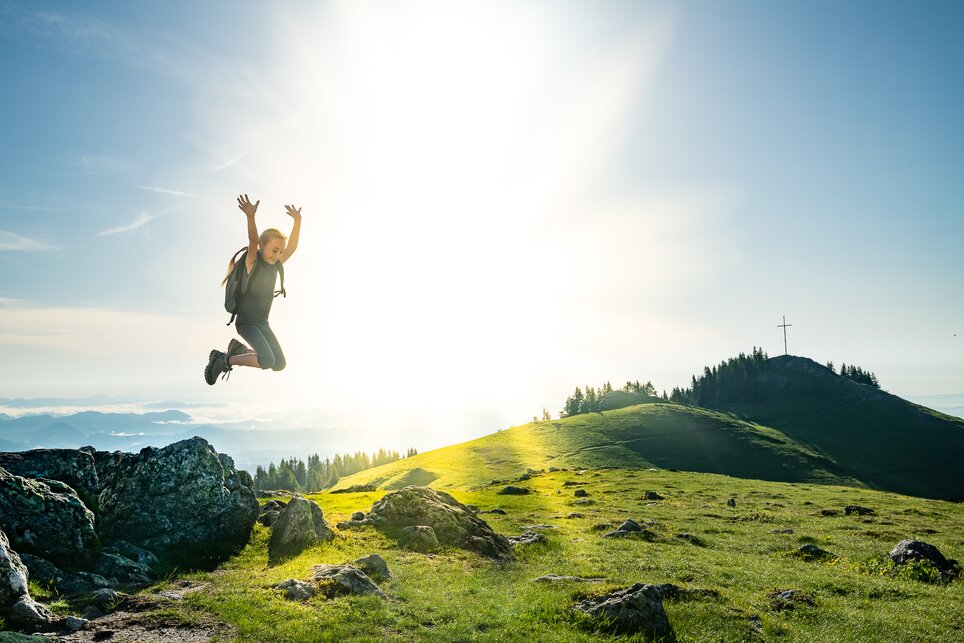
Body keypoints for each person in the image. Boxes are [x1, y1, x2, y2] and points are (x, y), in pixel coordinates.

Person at [205, 194, 301, 385]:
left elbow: (292, 247)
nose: (278, 255)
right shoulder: (252, 263)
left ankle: (239, 350)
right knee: (267, 360)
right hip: (247, 323)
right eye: (275, 250)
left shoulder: (275, 265)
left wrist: (297, 222)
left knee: (279, 363)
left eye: (280, 251)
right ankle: (222, 360)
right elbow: (252, 241)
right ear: (262, 246)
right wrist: (250, 217)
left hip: (263, 323)